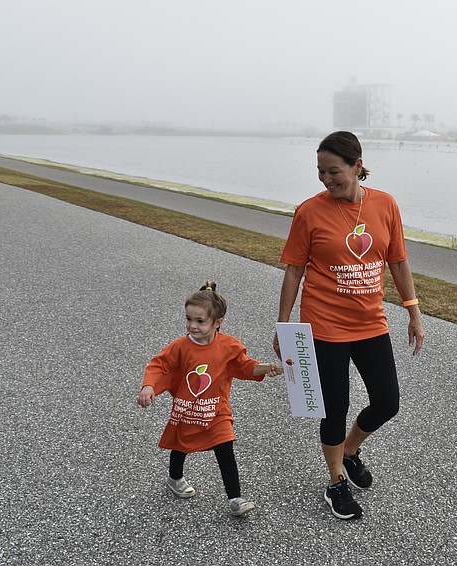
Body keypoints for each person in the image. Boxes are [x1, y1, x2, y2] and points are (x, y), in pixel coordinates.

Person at [274, 131, 425, 520]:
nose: (326, 180)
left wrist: (412, 310)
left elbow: (398, 260)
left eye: (334, 171)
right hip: (324, 326)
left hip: (371, 323)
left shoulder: (385, 205)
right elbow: (294, 270)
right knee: (334, 408)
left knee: (387, 402)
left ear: (358, 166)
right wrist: (284, 324)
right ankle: (336, 481)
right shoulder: (309, 211)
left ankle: (351, 449)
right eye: (321, 172)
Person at [137, 280, 282, 516]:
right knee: (180, 446)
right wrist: (149, 386)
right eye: (188, 319)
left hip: (217, 411)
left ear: (218, 322)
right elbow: (159, 365)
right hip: (188, 409)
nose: (192, 326)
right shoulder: (180, 347)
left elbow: (244, 367)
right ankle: (174, 478)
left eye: (200, 321)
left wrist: (266, 368)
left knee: (225, 450)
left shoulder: (229, 346)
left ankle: (235, 498)